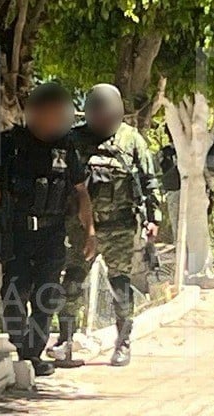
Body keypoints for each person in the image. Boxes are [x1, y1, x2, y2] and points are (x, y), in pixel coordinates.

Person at [0, 82, 95, 377]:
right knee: (15, 292)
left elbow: (81, 192)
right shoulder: (11, 143)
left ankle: (32, 354)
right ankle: (22, 345)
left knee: (47, 296)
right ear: (35, 112)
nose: (56, 119)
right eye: (50, 113)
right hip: (17, 232)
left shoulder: (67, 146)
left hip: (52, 233)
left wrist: (89, 232)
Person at [57, 83, 163, 368]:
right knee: (71, 284)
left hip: (120, 227)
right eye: (98, 115)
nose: (103, 121)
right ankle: (64, 342)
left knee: (120, 286)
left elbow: (150, 180)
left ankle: (123, 342)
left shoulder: (131, 140)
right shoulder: (73, 139)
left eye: (108, 115)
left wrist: (154, 219)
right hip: (80, 228)